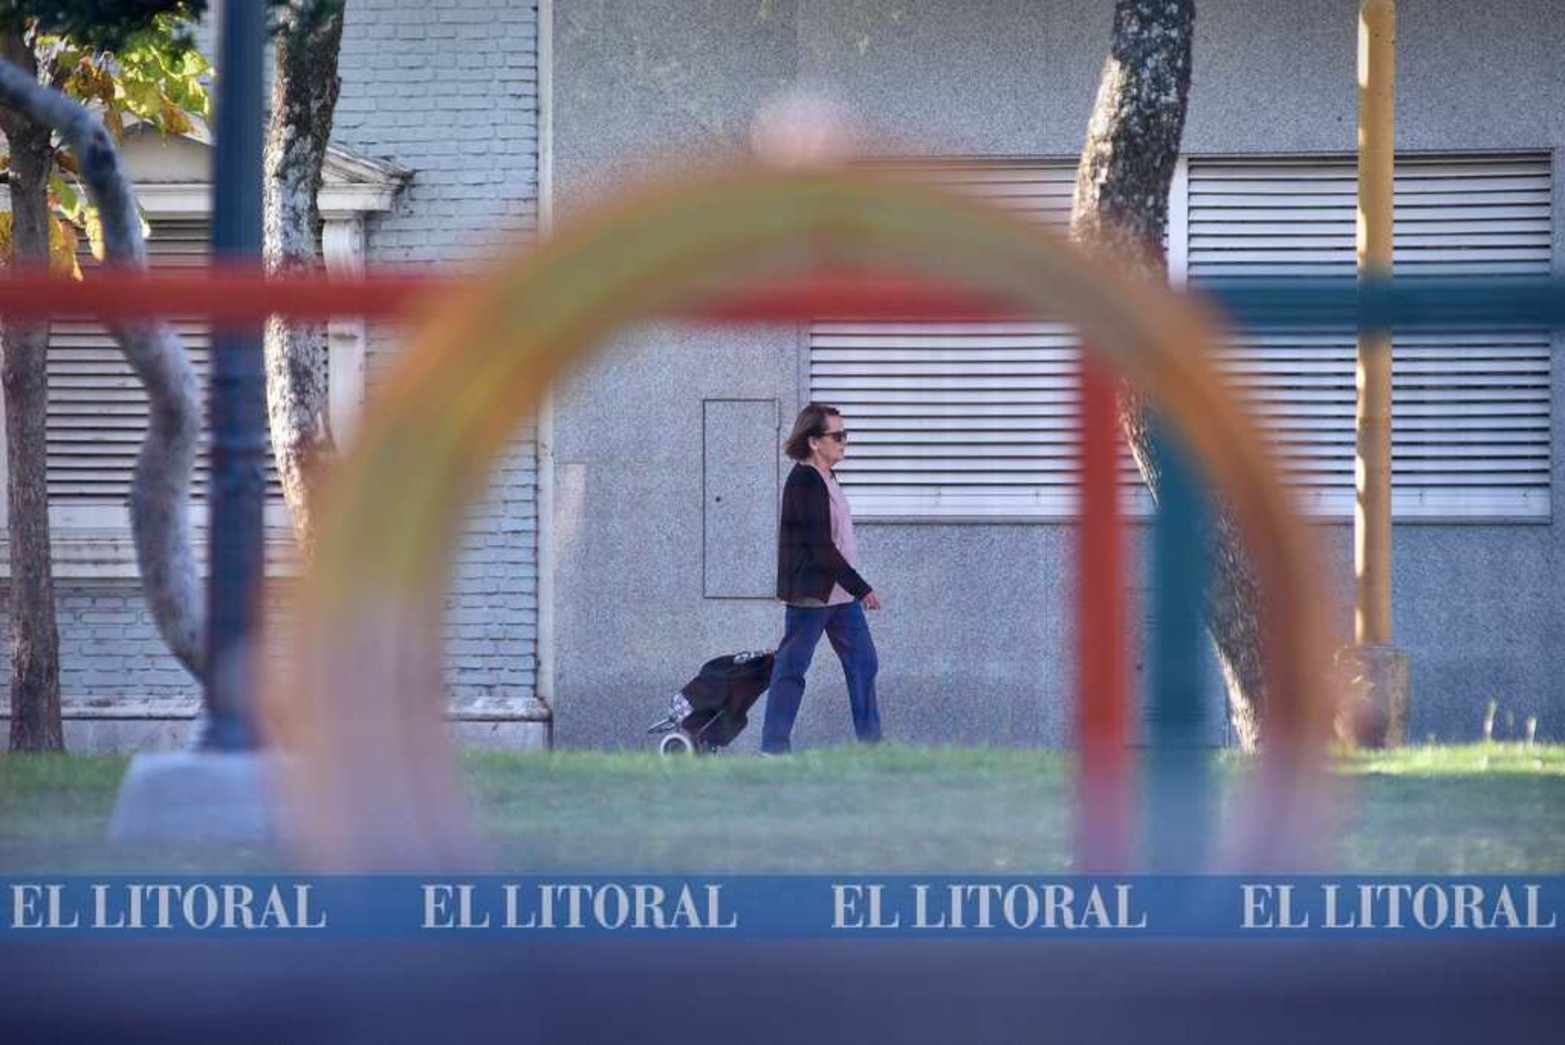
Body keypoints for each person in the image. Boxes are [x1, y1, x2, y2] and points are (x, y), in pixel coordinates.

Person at [760, 403, 882, 754]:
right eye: (838, 436)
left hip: (839, 596)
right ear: (814, 441)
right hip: (813, 597)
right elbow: (820, 547)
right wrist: (863, 588)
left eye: (846, 435)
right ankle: (773, 748)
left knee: (864, 663)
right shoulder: (804, 481)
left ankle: (871, 747)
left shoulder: (828, 476)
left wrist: (852, 589)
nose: (845, 442)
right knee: (792, 669)